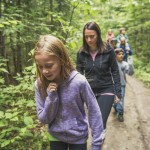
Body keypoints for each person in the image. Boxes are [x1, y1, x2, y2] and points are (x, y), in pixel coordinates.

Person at [34, 35, 104, 150]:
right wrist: (51, 98)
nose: (44, 71)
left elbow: (94, 111)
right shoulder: (40, 85)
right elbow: (43, 119)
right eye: (40, 67)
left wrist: (96, 143)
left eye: (49, 65)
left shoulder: (79, 82)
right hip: (55, 136)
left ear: (61, 60)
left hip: (78, 137)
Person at [76, 22, 121, 131]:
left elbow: (115, 71)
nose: (89, 40)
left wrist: (118, 92)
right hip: (89, 91)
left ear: (98, 34)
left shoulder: (108, 50)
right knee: (93, 121)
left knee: (101, 119)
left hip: (106, 88)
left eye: (92, 36)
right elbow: (79, 75)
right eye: (86, 37)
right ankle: (100, 136)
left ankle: (98, 141)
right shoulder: (81, 53)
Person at [113, 48, 132, 122]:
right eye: (119, 54)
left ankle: (120, 114)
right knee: (114, 100)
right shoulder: (112, 64)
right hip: (112, 84)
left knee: (120, 99)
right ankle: (115, 107)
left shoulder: (125, 64)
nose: (121, 56)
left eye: (122, 54)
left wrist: (130, 65)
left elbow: (130, 73)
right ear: (115, 55)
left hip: (122, 84)